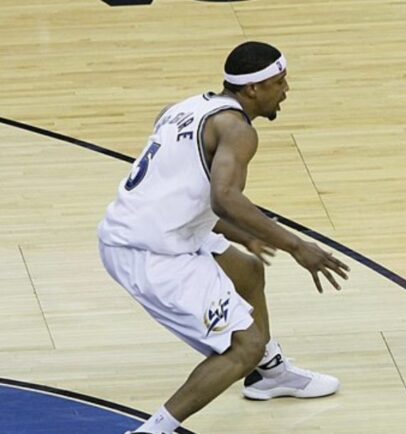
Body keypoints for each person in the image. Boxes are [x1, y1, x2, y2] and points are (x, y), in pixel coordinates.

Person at [97, 41, 350, 434]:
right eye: (279, 82)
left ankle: (271, 374)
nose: (286, 90)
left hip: (158, 228)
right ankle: (153, 432)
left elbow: (181, 189)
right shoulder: (237, 130)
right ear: (253, 89)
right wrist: (299, 247)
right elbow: (225, 198)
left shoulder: (184, 107)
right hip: (148, 250)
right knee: (243, 347)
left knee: (247, 272)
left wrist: (242, 235)